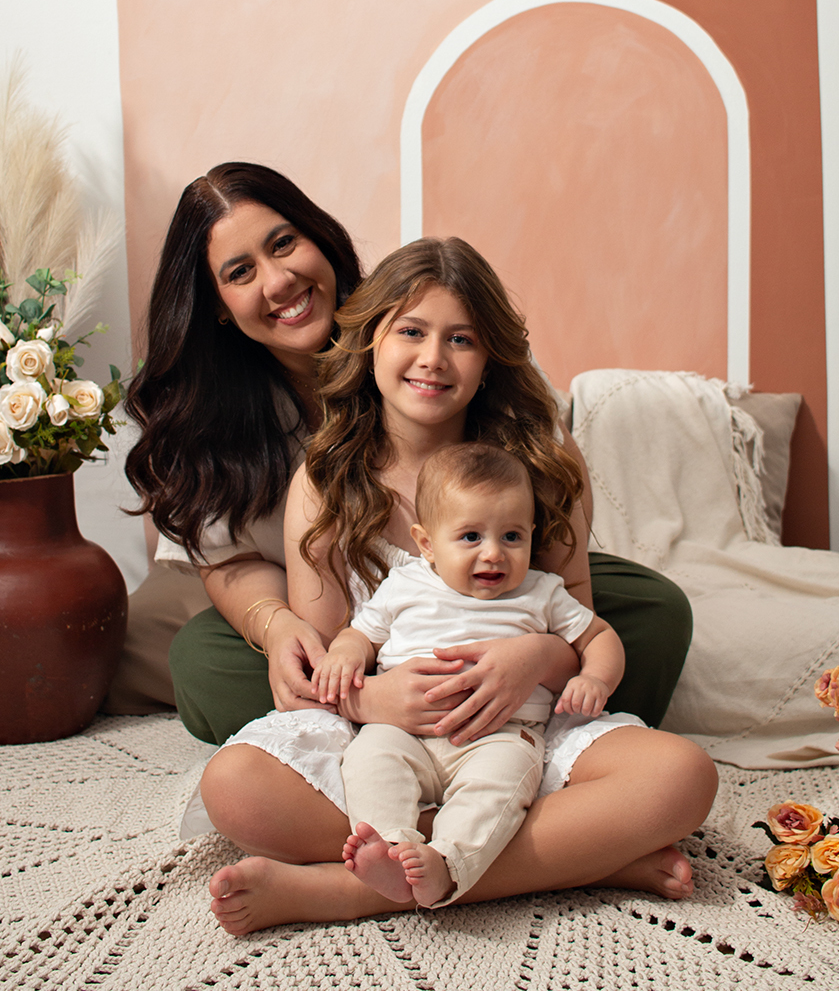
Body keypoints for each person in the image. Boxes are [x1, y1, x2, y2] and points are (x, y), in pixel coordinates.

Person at [197, 237, 718, 935]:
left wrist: (533, 659)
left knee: (685, 777)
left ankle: (347, 891)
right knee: (233, 788)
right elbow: (326, 661)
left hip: (519, 732)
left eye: (461, 339)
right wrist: (377, 698)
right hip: (384, 733)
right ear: (370, 342)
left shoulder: (541, 461)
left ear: (490, 357)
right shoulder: (324, 483)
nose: (434, 359)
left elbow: (578, 627)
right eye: (411, 332)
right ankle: (579, 856)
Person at [108, 162, 693, 741]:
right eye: (240, 272)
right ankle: (395, 722)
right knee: (205, 664)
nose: (279, 280)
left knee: (654, 613)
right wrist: (283, 629)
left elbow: (555, 531)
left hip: (490, 577)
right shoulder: (220, 420)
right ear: (216, 302)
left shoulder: (425, 312)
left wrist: (540, 652)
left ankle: (514, 720)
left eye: (284, 243)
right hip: (329, 601)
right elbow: (231, 564)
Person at [321, 442, 625, 909]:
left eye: (512, 536)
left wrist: (595, 679)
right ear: (427, 543)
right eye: (470, 537)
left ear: (532, 536)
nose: (493, 554)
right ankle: (391, 847)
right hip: (404, 731)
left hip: (500, 734)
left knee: (497, 787)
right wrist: (345, 653)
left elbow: (599, 636)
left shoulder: (541, 591)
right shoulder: (405, 584)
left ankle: (447, 863)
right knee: (369, 760)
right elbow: (361, 635)